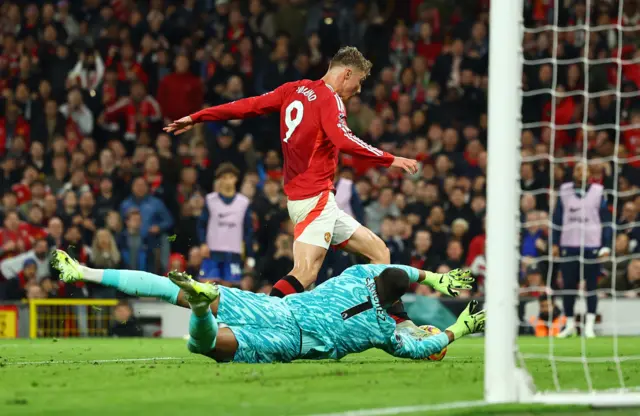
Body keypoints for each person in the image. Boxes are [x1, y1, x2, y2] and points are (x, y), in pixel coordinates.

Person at [164, 46, 419, 298]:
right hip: (314, 198)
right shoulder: (330, 99)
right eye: (360, 81)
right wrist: (390, 158)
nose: (359, 89)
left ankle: (389, 320)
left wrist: (198, 116)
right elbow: (344, 139)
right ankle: (264, 320)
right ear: (347, 73)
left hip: (310, 198)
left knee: (379, 252)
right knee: (305, 274)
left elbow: (248, 105)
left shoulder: (293, 89)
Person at [51, 249, 483, 363]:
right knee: (205, 346)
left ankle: (85, 272)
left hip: (277, 310)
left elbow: (395, 273)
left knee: (171, 290)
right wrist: (458, 329)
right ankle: (201, 312)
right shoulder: (383, 333)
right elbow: (419, 347)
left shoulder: (356, 276)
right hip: (288, 338)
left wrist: (434, 279)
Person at [552, 162, 611, 339]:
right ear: (573, 172)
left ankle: (589, 326)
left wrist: (606, 245)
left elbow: (606, 221)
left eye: (584, 169)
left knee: (591, 286)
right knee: (568, 287)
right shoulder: (564, 191)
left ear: (590, 173)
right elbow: (556, 219)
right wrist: (555, 243)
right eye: (577, 169)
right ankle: (569, 324)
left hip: (591, 245)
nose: (580, 173)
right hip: (569, 245)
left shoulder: (599, 192)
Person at [198, 163, 254, 285]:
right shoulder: (210, 200)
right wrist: (202, 243)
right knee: (207, 285)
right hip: (212, 251)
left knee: (229, 288)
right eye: (224, 177)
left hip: (233, 252)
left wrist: (249, 254)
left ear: (236, 179)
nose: (228, 181)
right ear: (219, 180)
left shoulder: (243, 202)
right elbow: (202, 224)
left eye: (230, 177)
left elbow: (248, 229)